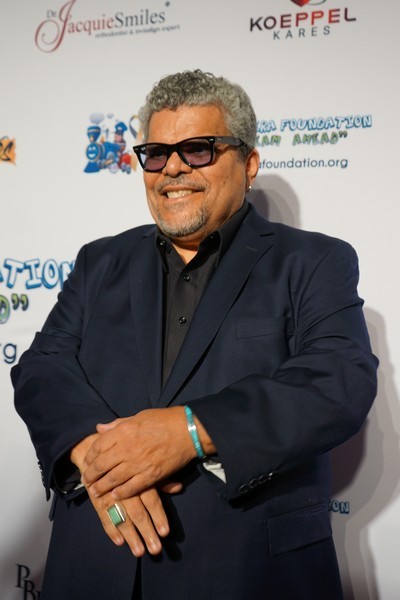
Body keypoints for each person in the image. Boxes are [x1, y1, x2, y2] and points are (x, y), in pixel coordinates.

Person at [12, 69, 378, 600]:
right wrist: (92, 455)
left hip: (246, 576)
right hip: (93, 568)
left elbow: (338, 381)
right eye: (156, 153)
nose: (173, 167)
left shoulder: (313, 261)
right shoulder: (100, 261)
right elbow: (42, 368)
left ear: (249, 164)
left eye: (198, 149)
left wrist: (189, 430)